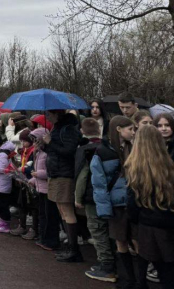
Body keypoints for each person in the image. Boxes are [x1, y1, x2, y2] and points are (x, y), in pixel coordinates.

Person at [91, 115, 144, 286]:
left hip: (134, 201)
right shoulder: (102, 151)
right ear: (119, 129)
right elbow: (99, 183)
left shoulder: (136, 147)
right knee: (121, 240)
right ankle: (129, 278)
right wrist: (104, 209)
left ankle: (141, 280)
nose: (133, 132)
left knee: (137, 240)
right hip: (117, 204)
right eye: (130, 129)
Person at [125, 124, 174, 288]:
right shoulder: (169, 165)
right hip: (168, 221)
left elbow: (132, 204)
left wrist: (134, 221)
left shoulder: (135, 169)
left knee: (153, 263)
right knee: (168, 271)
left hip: (147, 224)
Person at [74, 117, 115, 283]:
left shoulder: (85, 150)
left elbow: (82, 176)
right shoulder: (109, 147)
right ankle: (109, 262)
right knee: (108, 229)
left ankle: (106, 265)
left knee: (97, 229)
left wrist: (78, 197)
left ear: (82, 131)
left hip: (92, 195)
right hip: (109, 194)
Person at [43, 109, 82, 262]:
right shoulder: (56, 128)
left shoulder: (68, 129)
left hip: (64, 174)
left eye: (49, 114)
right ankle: (70, 246)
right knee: (61, 210)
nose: (46, 117)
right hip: (55, 172)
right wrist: (44, 145)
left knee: (67, 210)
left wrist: (50, 142)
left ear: (56, 114)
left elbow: (68, 151)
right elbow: (53, 151)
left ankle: (74, 249)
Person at [28, 127, 60, 251]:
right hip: (40, 187)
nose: (34, 143)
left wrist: (38, 174)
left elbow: (49, 171)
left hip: (47, 188)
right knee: (42, 214)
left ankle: (50, 239)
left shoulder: (47, 154)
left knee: (49, 215)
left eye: (36, 140)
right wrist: (32, 180)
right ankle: (43, 236)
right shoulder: (39, 153)